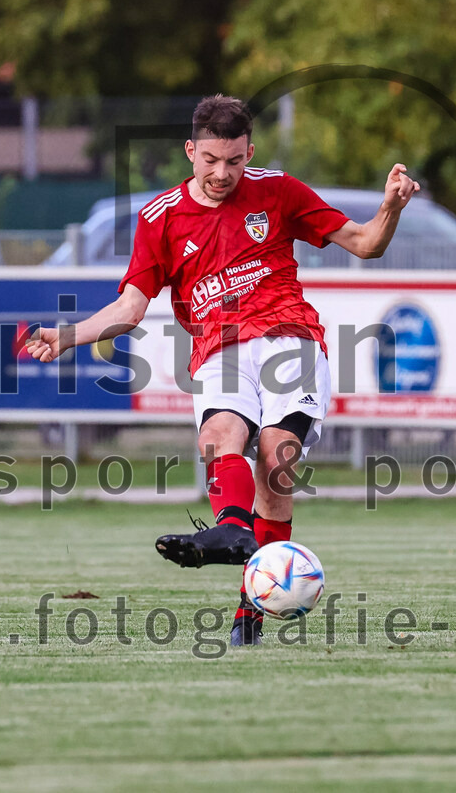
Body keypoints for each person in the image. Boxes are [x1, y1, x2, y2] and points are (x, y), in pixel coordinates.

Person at [27, 95, 419, 645]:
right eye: (210, 159)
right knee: (219, 436)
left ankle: (248, 609)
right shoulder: (160, 218)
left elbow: (365, 243)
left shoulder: (278, 190)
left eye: (234, 161)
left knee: (276, 465)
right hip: (221, 345)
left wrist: (392, 208)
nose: (222, 173)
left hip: (290, 337)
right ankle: (234, 532)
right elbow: (131, 308)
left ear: (249, 152)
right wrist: (68, 336)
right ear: (190, 151)